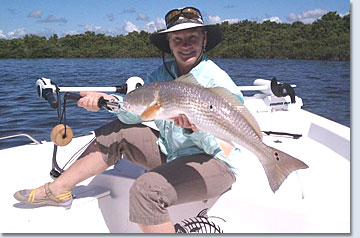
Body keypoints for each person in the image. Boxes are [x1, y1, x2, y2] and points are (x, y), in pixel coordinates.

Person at [14, 6, 244, 233]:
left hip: (215, 162)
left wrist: (194, 129)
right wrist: (108, 101)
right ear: (170, 44)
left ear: (204, 40)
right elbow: (135, 111)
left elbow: (224, 145)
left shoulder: (217, 81)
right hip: (173, 153)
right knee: (117, 131)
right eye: (177, 39)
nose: (185, 46)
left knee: (146, 191)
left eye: (192, 38)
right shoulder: (160, 76)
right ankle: (59, 189)